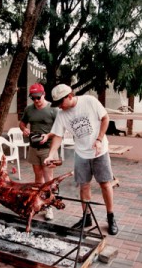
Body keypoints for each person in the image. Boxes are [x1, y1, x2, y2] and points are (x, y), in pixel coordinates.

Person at [44, 84, 118, 235]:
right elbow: (58, 135)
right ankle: (87, 218)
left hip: (100, 151)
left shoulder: (89, 101)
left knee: (105, 184)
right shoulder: (61, 114)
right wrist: (51, 154)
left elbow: (105, 118)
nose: (59, 107)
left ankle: (111, 217)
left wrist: (99, 139)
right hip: (81, 154)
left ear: (69, 96)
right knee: (84, 186)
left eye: (61, 103)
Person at [19, 83, 59, 221]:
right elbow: (22, 123)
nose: (36, 100)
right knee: (38, 178)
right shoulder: (29, 109)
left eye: (38, 97)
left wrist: (47, 136)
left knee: (48, 180)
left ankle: (49, 208)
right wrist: (23, 129)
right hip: (34, 148)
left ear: (44, 94)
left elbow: (60, 130)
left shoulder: (53, 109)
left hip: (48, 149)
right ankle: (39, 203)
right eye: (33, 98)